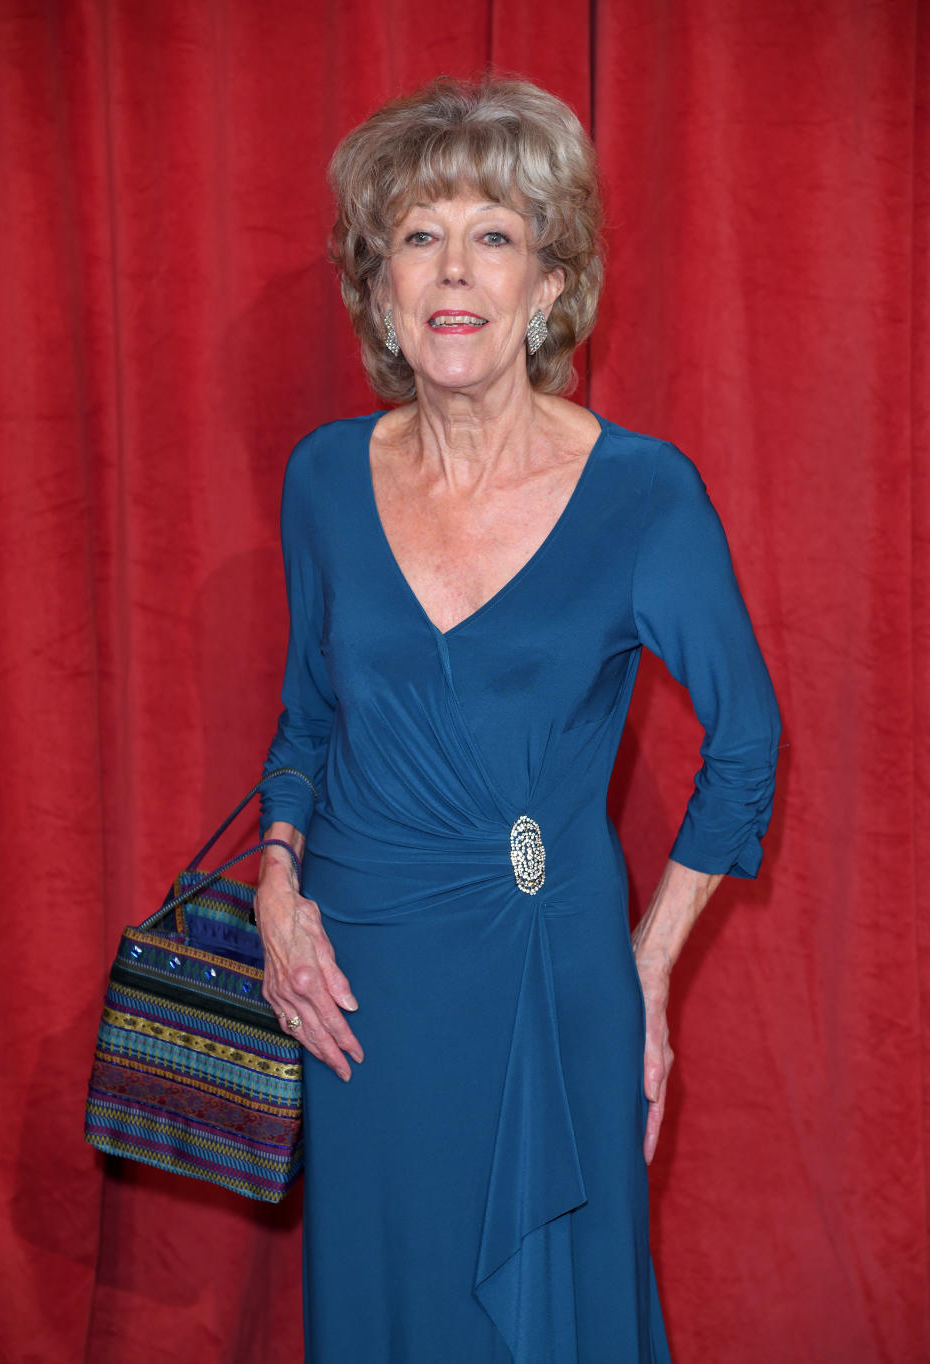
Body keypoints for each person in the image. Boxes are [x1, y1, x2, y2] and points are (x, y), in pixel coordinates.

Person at [254, 76, 780, 1364]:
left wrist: (647, 963)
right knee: (388, 1307)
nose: (454, 270)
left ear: (549, 288)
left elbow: (748, 745)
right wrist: (276, 889)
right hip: (360, 995)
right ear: (379, 288)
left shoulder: (644, 496)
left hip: (552, 980)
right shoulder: (323, 477)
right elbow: (306, 722)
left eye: (495, 234)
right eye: (418, 236)